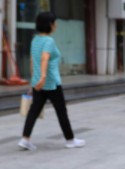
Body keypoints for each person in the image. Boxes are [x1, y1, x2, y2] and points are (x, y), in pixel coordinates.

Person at [18, 11, 84, 151]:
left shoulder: (35, 40)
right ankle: (70, 140)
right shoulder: (49, 41)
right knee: (61, 111)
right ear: (50, 25)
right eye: (55, 22)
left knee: (34, 111)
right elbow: (44, 58)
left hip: (38, 84)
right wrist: (43, 77)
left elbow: (32, 61)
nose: (56, 25)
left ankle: (25, 139)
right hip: (51, 83)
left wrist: (34, 81)